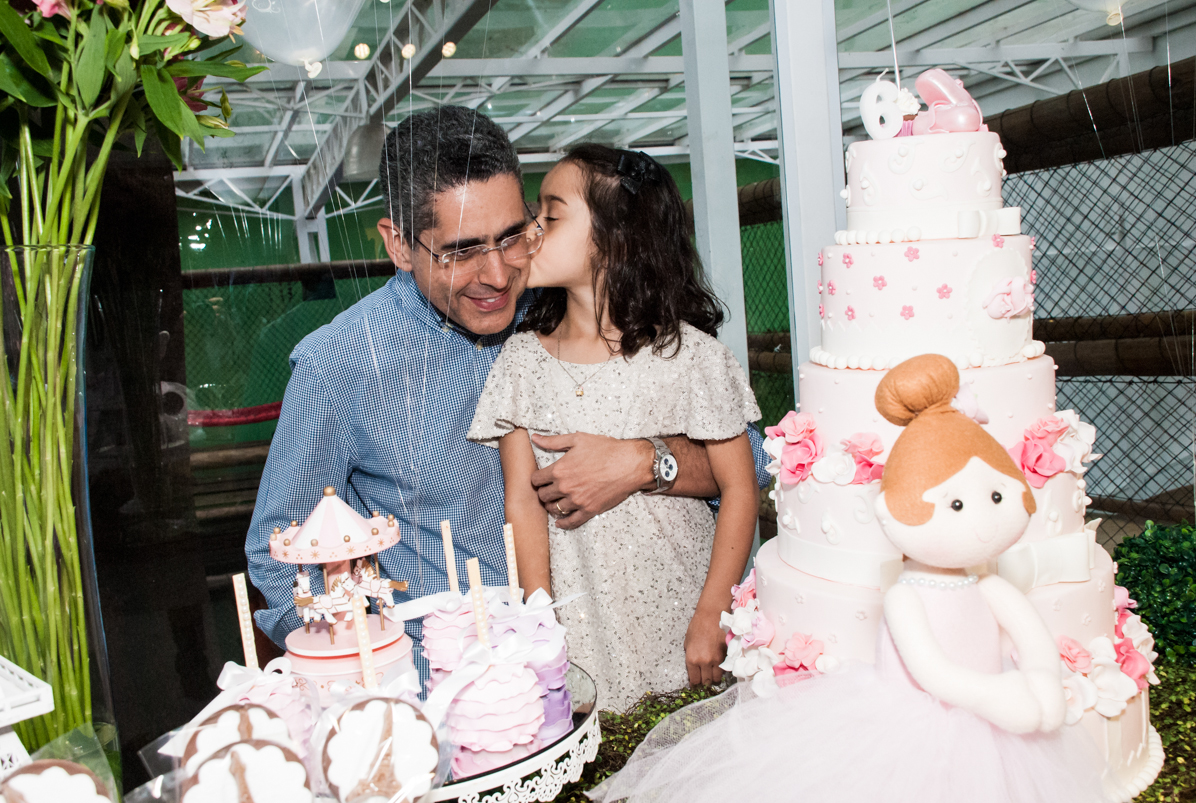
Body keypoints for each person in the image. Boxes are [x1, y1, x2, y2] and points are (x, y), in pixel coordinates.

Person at [245, 108, 770, 676]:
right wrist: (384, 676)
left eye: (513, 236)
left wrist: (646, 461)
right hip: (457, 692)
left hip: (636, 645)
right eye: (462, 251)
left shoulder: (562, 303)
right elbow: (281, 554)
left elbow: (754, 463)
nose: (498, 275)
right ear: (399, 244)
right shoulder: (338, 367)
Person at [590, 355, 1107, 803]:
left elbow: (1032, 639)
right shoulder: (906, 598)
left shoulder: (992, 587)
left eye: (996, 496)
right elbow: (933, 673)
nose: (981, 518)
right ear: (892, 512)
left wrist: (1041, 681)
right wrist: (999, 698)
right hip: (926, 720)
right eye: (954, 503)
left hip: (996, 721)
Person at [467, 145, 762, 708]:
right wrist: (539, 623)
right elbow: (522, 504)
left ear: (617, 237)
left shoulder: (693, 357)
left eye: (550, 217)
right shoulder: (521, 361)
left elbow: (740, 488)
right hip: (579, 626)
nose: (530, 231)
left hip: (681, 614)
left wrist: (711, 614)